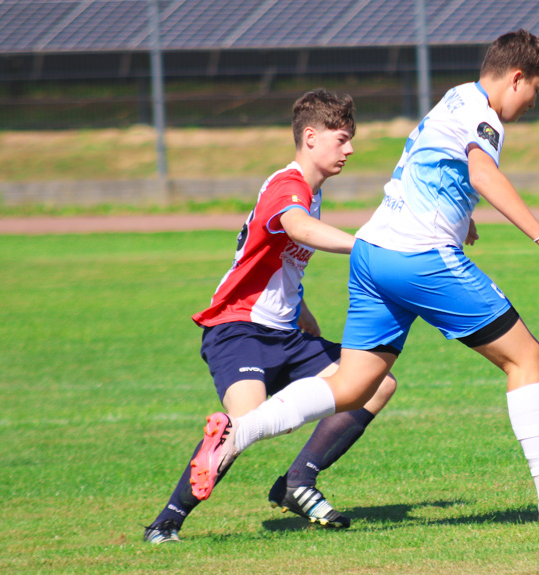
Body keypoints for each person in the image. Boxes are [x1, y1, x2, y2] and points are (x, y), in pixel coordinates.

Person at [191, 29, 539, 533]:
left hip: (373, 252)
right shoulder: (483, 116)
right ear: (517, 77)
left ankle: (239, 433)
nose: (533, 103)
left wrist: (460, 215)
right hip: (420, 258)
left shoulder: (455, 97)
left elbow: (427, 162)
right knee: (526, 357)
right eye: (536, 91)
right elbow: (482, 173)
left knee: (353, 386)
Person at [143, 89, 397, 544]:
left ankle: (297, 484)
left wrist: (304, 314)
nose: (350, 149)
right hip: (237, 329)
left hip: (287, 333)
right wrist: (363, 245)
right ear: (311, 137)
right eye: (342, 139)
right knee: (243, 425)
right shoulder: (289, 185)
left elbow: (278, 264)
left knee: (375, 384)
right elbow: (298, 229)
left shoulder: (311, 193)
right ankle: (167, 521)